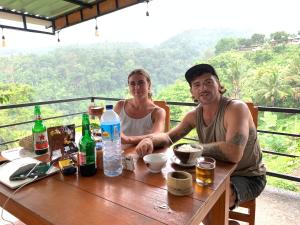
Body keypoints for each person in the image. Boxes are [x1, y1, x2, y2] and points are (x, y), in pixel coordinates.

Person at [135, 64, 266, 218]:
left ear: (218, 84)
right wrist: (150, 140)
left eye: (208, 82)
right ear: (192, 92)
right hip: (215, 171)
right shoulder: (194, 115)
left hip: (248, 176)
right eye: (196, 85)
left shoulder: (236, 108)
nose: (203, 88)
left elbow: (234, 152)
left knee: (209, 207)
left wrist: (194, 149)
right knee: (177, 194)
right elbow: (169, 137)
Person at [114, 68, 166, 146]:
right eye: (132, 84)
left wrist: (128, 139)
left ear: (149, 85)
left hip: (143, 155)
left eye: (141, 83)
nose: (137, 87)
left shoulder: (158, 112)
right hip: (118, 153)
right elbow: (109, 127)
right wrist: (99, 115)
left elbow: (157, 136)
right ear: (129, 87)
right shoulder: (120, 105)